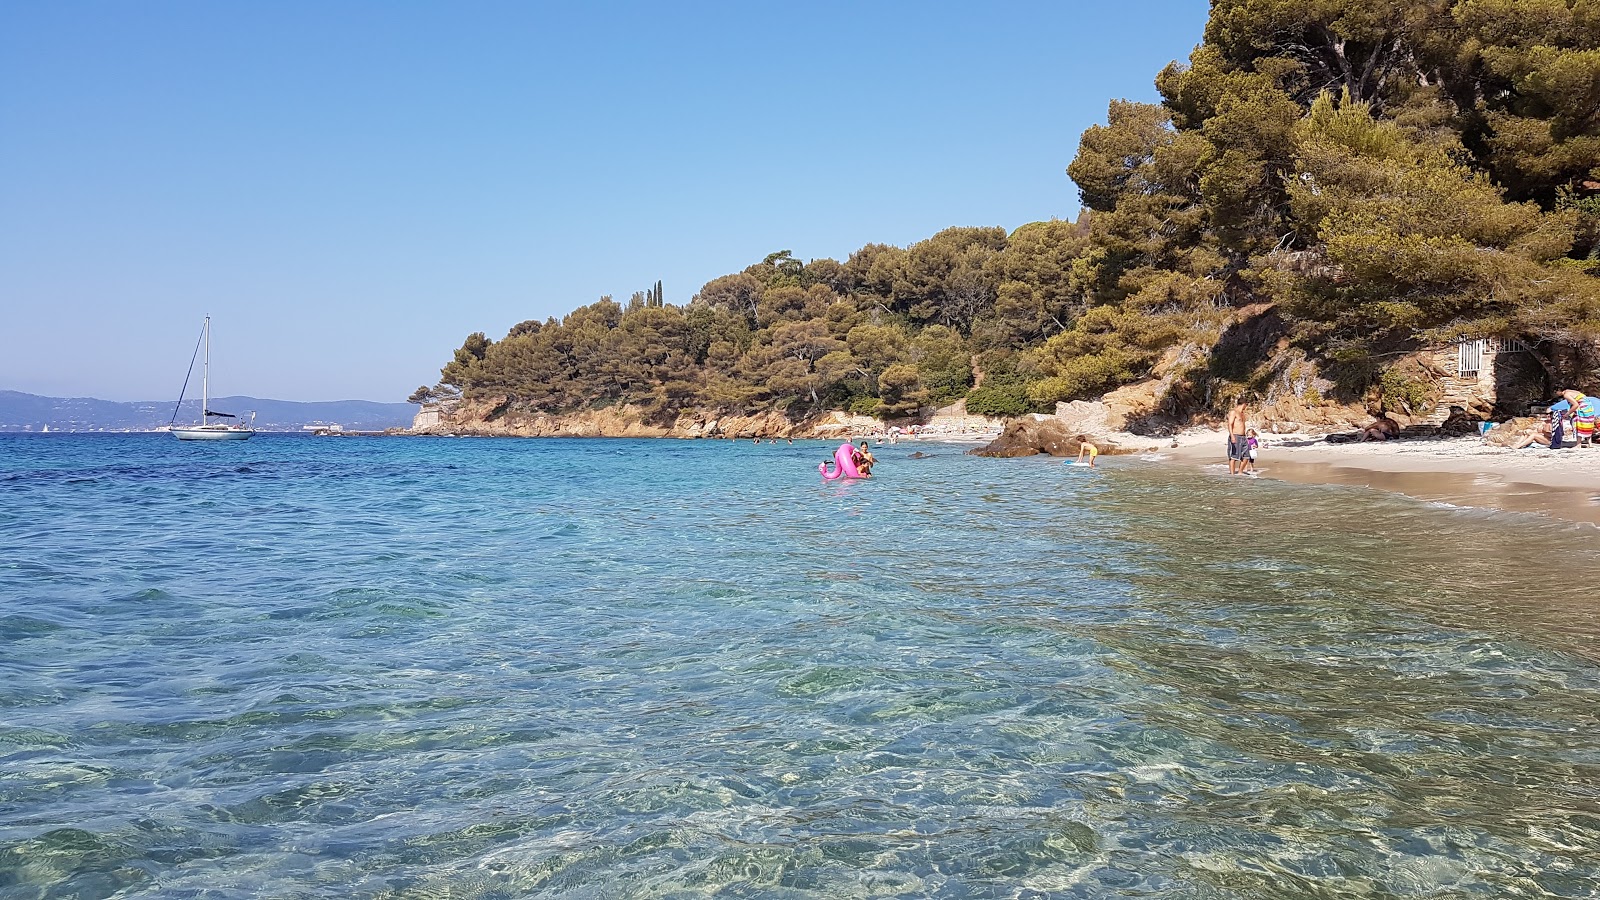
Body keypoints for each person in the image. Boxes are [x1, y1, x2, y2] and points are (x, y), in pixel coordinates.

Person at [1225, 398, 1250, 475]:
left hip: (1243, 437)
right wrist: (1232, 436)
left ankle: (1240, 472)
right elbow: (1230, 424)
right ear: (1244, 404)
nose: (1246, 407)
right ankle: (1232, 475)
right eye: (1246, 405)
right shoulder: (1234, 412)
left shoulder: (1242, 414)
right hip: (1235, 436)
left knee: (1246, 456)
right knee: (1234, 457)